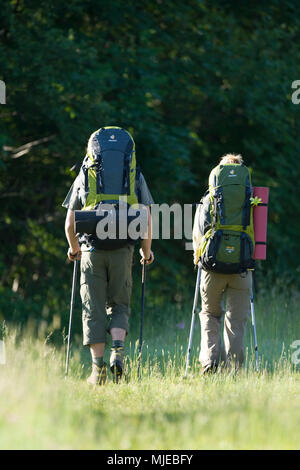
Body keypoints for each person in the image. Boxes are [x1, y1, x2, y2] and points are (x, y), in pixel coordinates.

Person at [62, 127, 154, 385]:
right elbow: (146, 218)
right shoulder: (134, 174)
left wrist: (73, 248)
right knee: (120, 304)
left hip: (91, 249)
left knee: (93, 309)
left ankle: (97, 371)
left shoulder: (85, 174)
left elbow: (70, 223)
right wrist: (146, 252)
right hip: (123, 249)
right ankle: (117, 352)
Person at [193, 153, 253, 375]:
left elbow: (198, 236)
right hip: (241, 266)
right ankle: (235, 369)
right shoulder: (251, 200)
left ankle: (209, 361)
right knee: (236, 319)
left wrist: (197, 259)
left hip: (212, 267)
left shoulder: (208, 199)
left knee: (210, 313)